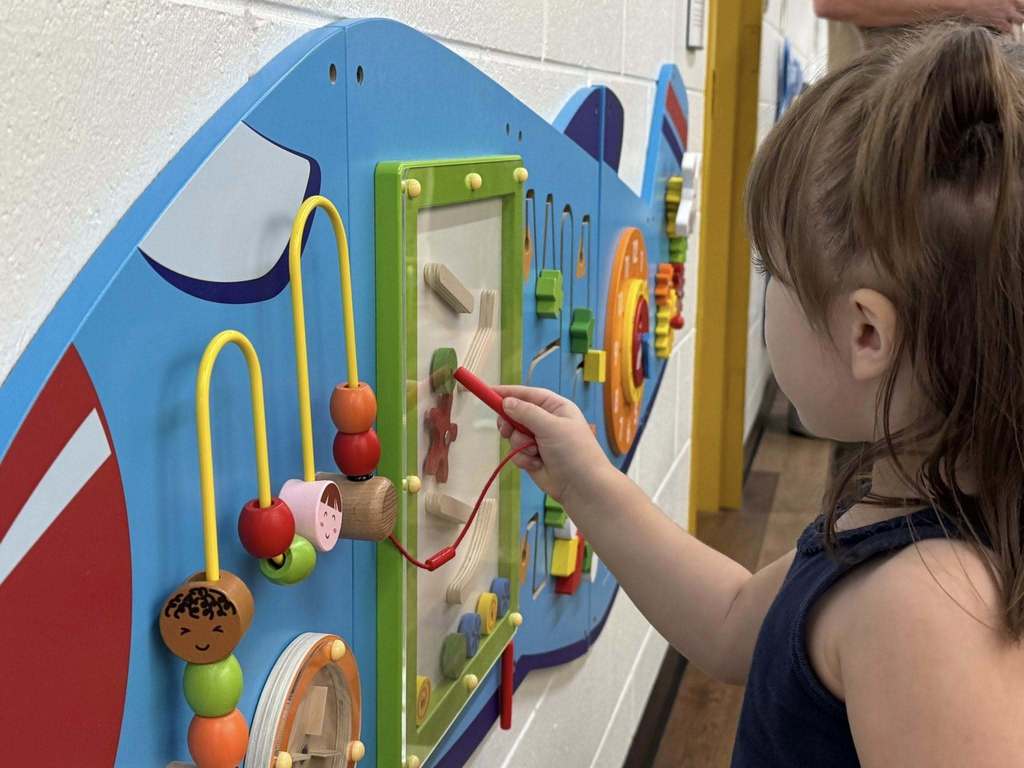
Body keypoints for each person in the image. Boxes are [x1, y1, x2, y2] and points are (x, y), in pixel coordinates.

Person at [495, 24, 1024, 767]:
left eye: (771, 268)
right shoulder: (901, 502)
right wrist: (584, 480)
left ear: (866, 332)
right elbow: (734, 618)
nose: (762, 291)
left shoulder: (930, 607)